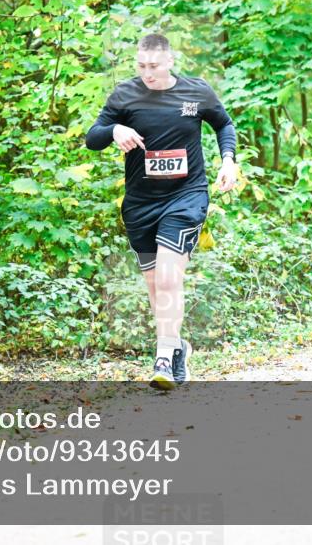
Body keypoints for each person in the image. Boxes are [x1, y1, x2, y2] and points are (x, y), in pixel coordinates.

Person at [85, 33, 237, 390]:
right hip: (140, 203)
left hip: (186, 197)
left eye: (153, 66)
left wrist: (228, 160)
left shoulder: (196, 92)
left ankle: (163, 359)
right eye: (140, 66)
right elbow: (93, 138)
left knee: (170, 278)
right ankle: (178, 345)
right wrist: (114, 129)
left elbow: (223, 124)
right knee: (156, 287)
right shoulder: (125, 94)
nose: (146, 73)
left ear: (169, 61)